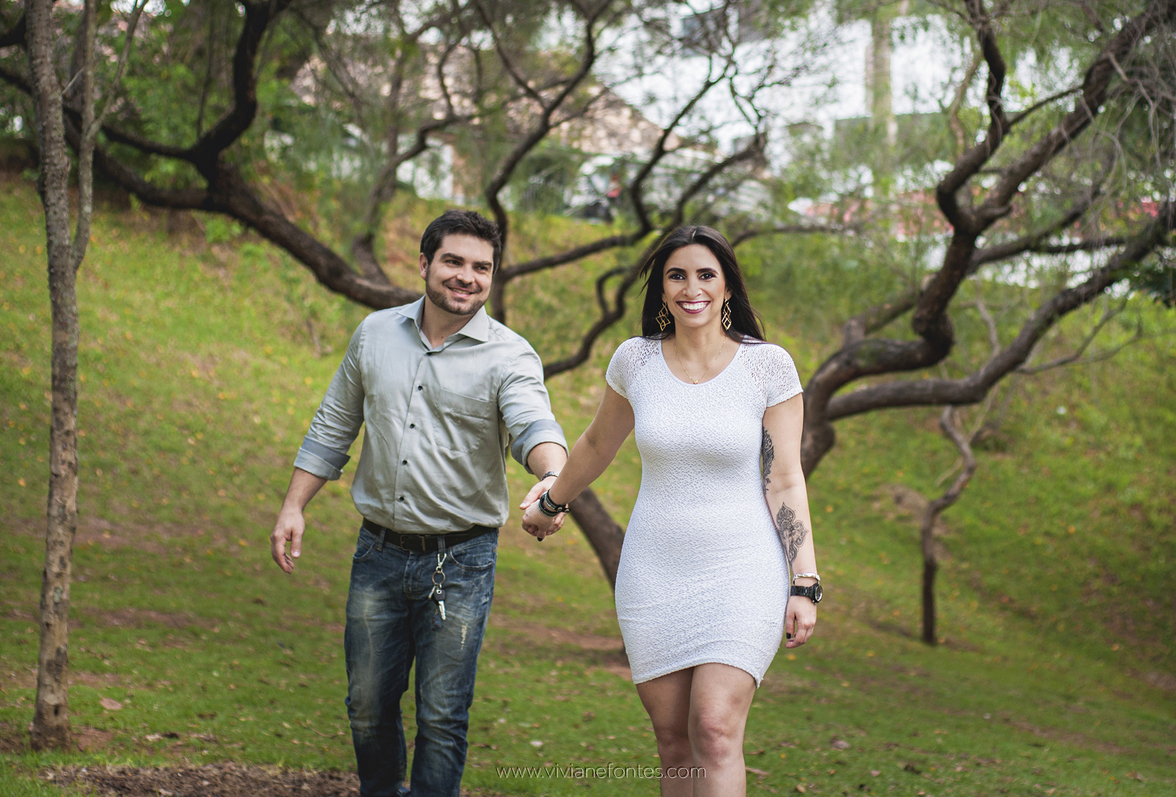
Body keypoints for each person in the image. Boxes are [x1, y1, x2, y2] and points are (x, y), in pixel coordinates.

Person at [270, 210, 568, 797]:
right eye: (453, 261)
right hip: (377, 553)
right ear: (425, 263)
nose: (467, 277)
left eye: (481, 267)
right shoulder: (375, 334)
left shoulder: (510, 355)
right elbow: (334, 423)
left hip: (462, 563)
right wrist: (293, 506)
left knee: (442, 715)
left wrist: (552, 478)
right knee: (366, 706)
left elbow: (534, 424)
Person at [521, 225, 821, 797]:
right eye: (676, 275)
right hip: (654, 571)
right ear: (661, 288)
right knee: (673, 742)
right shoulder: (635, 361)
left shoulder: (768, 367)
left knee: (714, 730)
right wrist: (553, 499)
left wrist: (804, 580)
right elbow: (596, 445)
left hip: (742, 571)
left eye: (706, 275)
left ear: (728, 286)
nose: (692, 288)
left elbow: (784, 478)